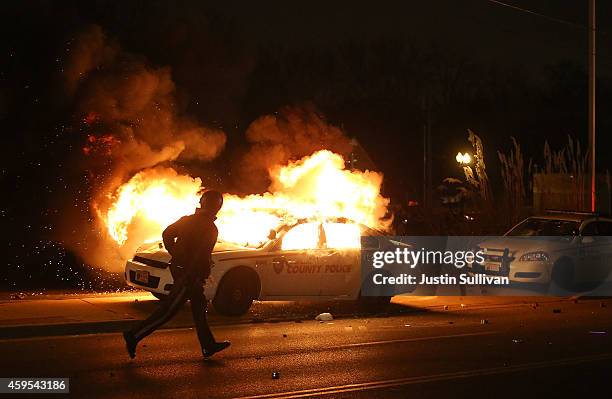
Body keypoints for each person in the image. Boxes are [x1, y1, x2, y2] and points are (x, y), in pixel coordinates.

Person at [122, 190, 230, 359]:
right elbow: (199, 255)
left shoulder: (188, 220)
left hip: (183, 270)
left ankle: (208, 345)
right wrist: (193, 273)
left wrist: (176, 254)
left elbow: (167, 234)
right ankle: (134, 335)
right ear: (217, 207)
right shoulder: (209, 227)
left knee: (199, 308)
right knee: (168, 311)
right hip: (189, 275)